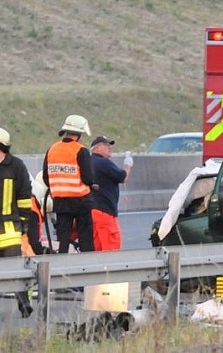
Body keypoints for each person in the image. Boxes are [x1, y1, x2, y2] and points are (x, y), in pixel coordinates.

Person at [42, 114, 95, 253]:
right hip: (81, 201)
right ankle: (87, 266)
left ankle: (62, 265)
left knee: (63, 237)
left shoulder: (52, 149)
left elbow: (46, 177)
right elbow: (88, 178)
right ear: (79, 134)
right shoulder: (80, 150)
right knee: (85, 237)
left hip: (60, 201)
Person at [0, 127, 34, 317]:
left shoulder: (16, 167)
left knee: (14, 268)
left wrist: (24, 222)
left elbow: (24, 197)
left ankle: (24, 303)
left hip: (10, 230)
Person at [89, 135, 133, 251]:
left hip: (91, 210)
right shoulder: (103, 163)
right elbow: (122, 177)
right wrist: (127, 166)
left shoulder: (87, 162)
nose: (110, 147)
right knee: (111, 247)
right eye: (106, 145)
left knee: (97, 247)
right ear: (96, 148)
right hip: (105, 212)